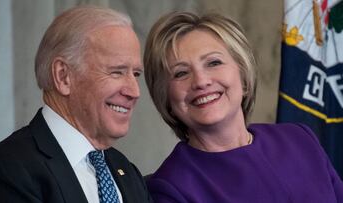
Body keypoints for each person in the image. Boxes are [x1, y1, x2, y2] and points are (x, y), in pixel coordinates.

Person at [143, 11, 343, 202]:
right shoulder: (170, 188)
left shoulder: (300, 139)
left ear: (244, 75)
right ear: (166, 99)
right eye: (180, 73)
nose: (201, 81)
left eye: (213, 62)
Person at [0, 6, 152, 203]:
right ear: (63, 76)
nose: (134, 92)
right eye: (117, 72)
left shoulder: (126, 171)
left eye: (136, 74)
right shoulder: (9, 169)